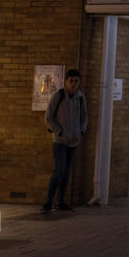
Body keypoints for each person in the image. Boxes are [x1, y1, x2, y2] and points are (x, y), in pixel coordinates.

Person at [43, 68, 87, 213]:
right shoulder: (59, 96)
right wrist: (58, 130)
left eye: (76, 81)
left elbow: (84, 117)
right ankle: (48, 202)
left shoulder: (80, 98)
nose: (74, 84)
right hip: (60, 141)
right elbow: (48, 117)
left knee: (67, 172)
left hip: (73, 141)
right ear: (66, 81)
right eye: (71, 81)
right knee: (59, 171)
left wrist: (81, 130)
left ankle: (60, 201)